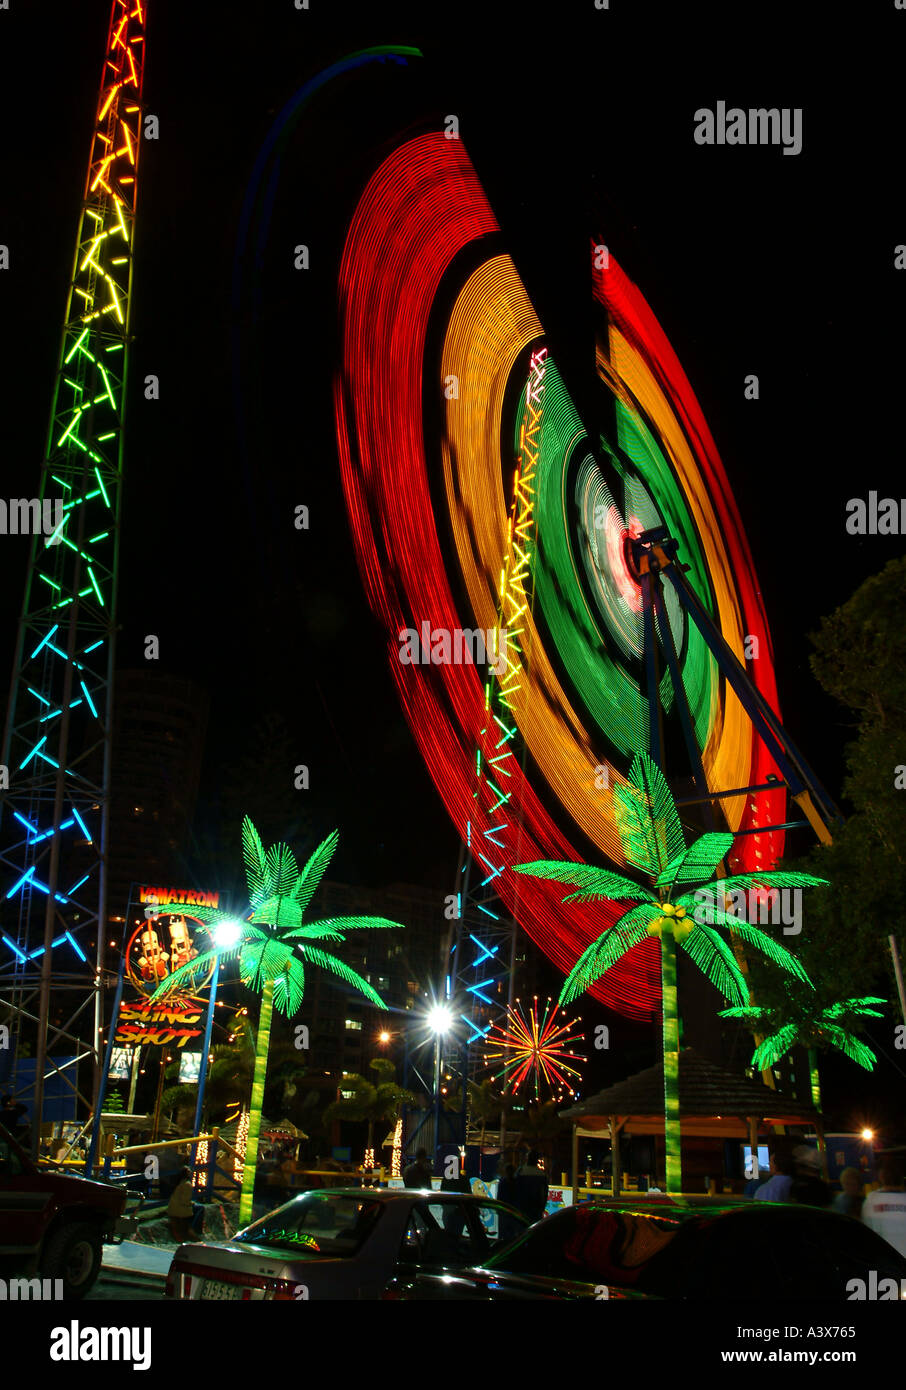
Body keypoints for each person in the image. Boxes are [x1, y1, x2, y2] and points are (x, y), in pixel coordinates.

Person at [861, 1158, 906, 1258]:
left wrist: (872, 1273)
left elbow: (866, 1235)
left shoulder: (871, 1200)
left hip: (882, 1263)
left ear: (881, 1176)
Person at [167, 1166, 204, 1243]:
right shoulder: (187, 1185)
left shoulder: (178, 1183)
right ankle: (196, 1233)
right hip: (181, 1210)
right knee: (200, 1209)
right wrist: (192, 1203)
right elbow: (185, 1201)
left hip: (172, 1208)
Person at [514, 1150, 549, 1223]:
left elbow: (515, 1190)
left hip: (522, 1209)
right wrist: (541, 1208)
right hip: (536, 1210)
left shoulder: (521, 1171)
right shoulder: (541, 1174)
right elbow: (544, 1195)